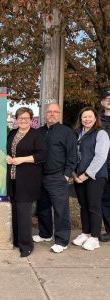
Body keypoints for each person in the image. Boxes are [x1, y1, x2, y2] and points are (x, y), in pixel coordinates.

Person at [33, 103, 77, 253]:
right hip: (40, 177)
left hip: (58, 177)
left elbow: (73, 156)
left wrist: (66, 174)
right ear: (45, 114)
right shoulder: (38, 132)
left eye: (55, 112)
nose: (52, 114)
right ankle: (45, 234)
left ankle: (62, 240)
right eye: (49, 111)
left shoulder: (66, 132)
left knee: (60, 210)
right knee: (42, 208)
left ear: (59, 114)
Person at [7, 107, 46, 257]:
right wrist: (8, 158)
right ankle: (17, 241)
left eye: (26, 118)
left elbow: (42, 155)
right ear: (16, 120)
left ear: (31, 120)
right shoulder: (12, 134)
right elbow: (8, 151)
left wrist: (22, 159)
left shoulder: (36, 135)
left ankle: (26, 245)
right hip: (13, 178)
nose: (23, 121)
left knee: (23, 213)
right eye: (20, 118)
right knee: (16, 211)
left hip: (28, 180)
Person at [72, 107, 109, 250]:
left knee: (94, 206)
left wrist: (86, 175)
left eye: (89, 117)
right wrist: (75, 174)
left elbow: (100, 157)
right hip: (79, 176)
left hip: (95, 176)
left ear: (95, 118)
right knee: (84, 206)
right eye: (84, 117)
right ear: (80, 119)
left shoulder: (101, 134)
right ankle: (85, 233)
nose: (87, 119)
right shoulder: (78, 134)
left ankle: (94, 237)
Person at [99, 91, 110, 242]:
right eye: (107, 99)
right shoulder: (97, 120)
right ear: (102, 102)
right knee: (105, 199)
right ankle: (109, 230)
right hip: (103, 166)